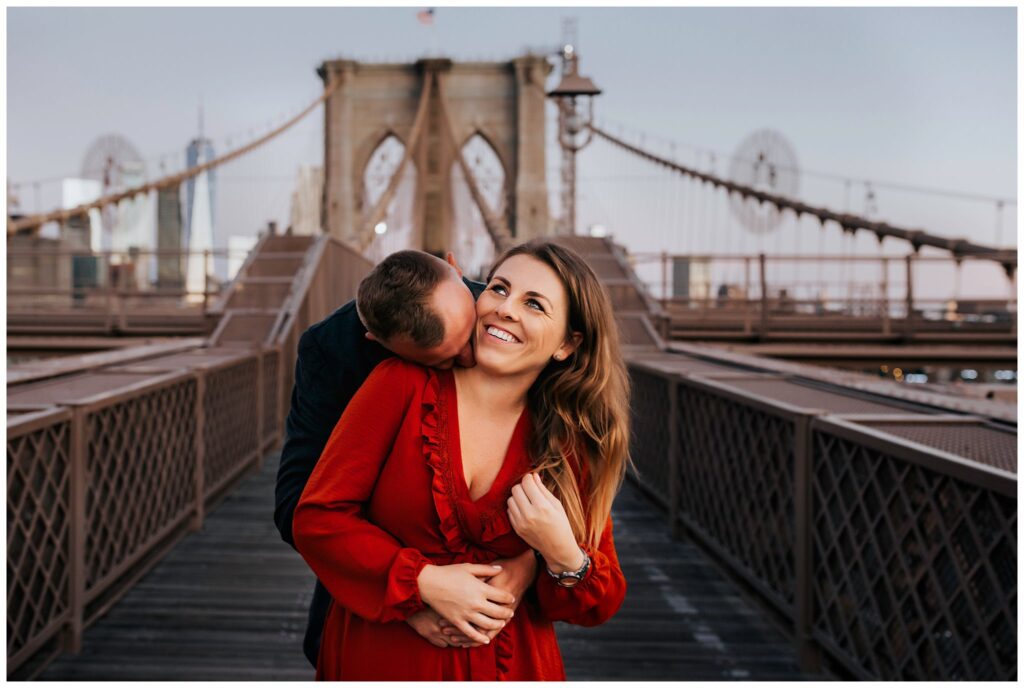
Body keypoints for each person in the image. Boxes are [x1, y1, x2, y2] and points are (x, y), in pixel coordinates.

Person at [293, 239, 630, 680]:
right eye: (499, 288)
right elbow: (317, 518)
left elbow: (599, 603)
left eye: (534, 304)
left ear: (567, 343)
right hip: (384, 658)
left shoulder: (572, 440)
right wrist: (422, 584)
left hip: (511, 665)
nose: (506, 309)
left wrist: (560, 553)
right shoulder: (398, 384)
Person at [274, 249, 538, 667]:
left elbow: (575, 490)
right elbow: (298, 505)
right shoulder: (334, 351)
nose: (472, 358)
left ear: (457, 266)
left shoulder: (506, 313)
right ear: (378, 344)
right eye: (447, 362)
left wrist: (529, 562)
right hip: (376, 612)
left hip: (498, 625)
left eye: (469, 334)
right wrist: (414, 595)